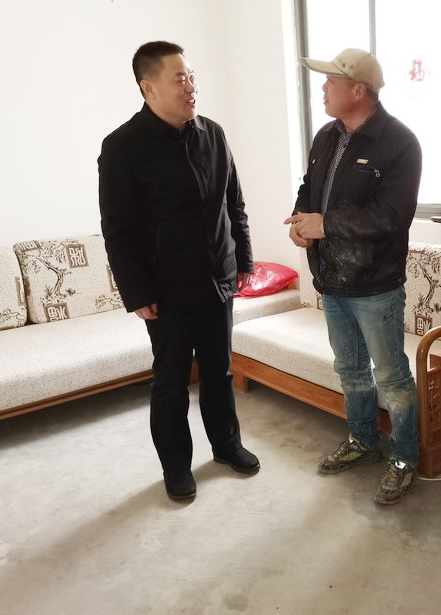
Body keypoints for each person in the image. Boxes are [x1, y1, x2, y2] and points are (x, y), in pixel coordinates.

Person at [98, 41, 259, 502]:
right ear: (148, 87)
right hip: (165, 291)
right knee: (170, 382)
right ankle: (176, 467)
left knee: (219, 371)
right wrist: (136, 292)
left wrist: (243, 260)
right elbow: (119, 231)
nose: (191, 87)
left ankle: (226, 446)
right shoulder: (122, 147)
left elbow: (234, 203)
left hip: (218, 280)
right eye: (179, 79)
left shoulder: (213, 134)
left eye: (192, 76)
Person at [284, 48, 422, 505]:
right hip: (331, 279)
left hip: (376, 285)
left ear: (358, 90)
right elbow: (309, 189)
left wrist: (325, 224)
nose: (322, 88)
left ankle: (404, 457)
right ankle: (363, 441)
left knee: (392, 377)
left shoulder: (399, 142)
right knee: (350, 371)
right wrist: (301, 221)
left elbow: (392, 215)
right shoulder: (326, 136)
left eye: (331, 81)